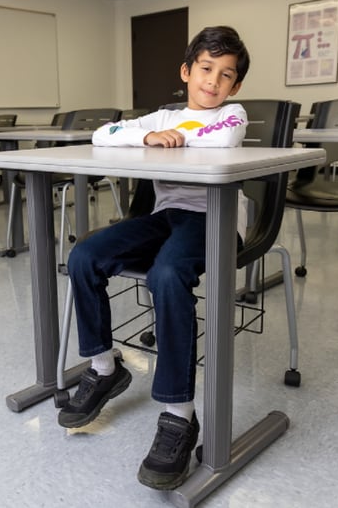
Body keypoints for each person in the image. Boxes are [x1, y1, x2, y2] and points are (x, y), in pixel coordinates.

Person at [58, 25, 251, 490]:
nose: (213, 82)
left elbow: (222, 139)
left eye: (226, 76)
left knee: (166, 274)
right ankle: (105, 369)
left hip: (217, 220)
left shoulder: (234, 115)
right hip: (167, 216)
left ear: (235, 86)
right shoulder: (161, 116)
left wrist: (170, 135)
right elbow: (105, 134)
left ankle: (179, 414)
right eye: (206, 69)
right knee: (85, 255)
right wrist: (145, 137)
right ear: (187, 71)